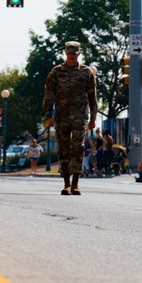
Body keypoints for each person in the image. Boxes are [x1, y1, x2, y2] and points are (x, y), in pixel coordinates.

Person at [42, 41, 98, 196]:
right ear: (65, 54)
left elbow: (92, 97)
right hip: (62, 116)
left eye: (74, 53)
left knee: (78, 146)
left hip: (80, 116)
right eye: (69, 53)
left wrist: (93, 118)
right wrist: (48, 115)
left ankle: (75, 183)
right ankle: (66, 183)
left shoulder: (86, 72)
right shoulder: (56, 72)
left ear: (79, 53)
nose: (72, 56)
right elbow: (49, 95)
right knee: (64, 148)